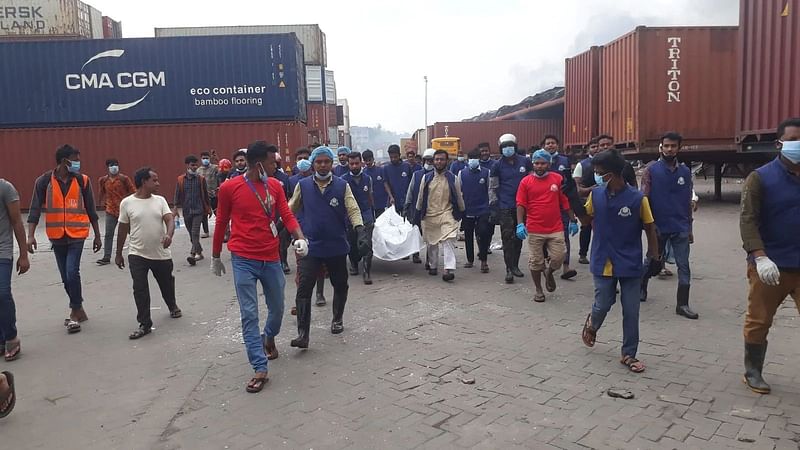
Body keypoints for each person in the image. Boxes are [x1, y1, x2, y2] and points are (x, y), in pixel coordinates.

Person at [211, 141, 306, 393]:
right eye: (273, 162)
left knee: (277, 308)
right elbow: (221, 220)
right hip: (243, 259)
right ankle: (259, 366)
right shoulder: (229, 188)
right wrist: (215, 256)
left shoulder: (275, 185)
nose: (276, 166)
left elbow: (286, 214)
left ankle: (269, 336)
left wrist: (299, 236)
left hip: (271, 257)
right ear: (259, 164)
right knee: (249, 313)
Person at [580, 150, 661, 374]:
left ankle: (629, 354)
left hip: (630, 262)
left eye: (599, 173)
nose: (596, 176)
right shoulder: (595, 195)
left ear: (613, 174)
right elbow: (586, 219)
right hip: (602, 258)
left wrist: (654, 255)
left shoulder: (638, 199)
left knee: (631, 310)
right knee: (604, 303)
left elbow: (649, 226)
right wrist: (573, 207)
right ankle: (593, 323)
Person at [738, 118, 800, 395]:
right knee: (759, 320)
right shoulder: (760, 178)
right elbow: (748, 220)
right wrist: (760, 257)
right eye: (795, 140)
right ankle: (753, 371)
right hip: (771, 266)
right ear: (780, 144)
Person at [288, 146, 369, 348]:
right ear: (313, 164)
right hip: (311, 246)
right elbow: (290, 209)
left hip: (336, 246)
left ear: (331, 164)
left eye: (326, 162)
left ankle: (337, 319)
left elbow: (353, 208)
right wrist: (280, 228)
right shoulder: (303, 185)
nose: (323, 165)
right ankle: (303, 334)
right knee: (304, 288)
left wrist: (360, 230)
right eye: (319, 162)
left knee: (340, 284)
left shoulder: (342, 186)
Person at [27, 145, 102, 334]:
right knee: (64, 277)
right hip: (56, 236)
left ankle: (74, 312)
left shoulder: (83, 181)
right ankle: (79, 308)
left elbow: (92, 210)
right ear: (63, 161)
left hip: (77, 235)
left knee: (71, 272)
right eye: (75, 159)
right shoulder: (44, 181)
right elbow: (34, 209)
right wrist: (30, 235)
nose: (78, 163)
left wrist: (98, 236)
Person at [115, 167, 182, 339]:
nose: (158, 183)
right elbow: (122, 229)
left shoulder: (160, 201)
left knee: (166, 283)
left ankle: (172, 305)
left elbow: (169, 219)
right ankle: (144, 324)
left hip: (160, 253)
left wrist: (169, 234)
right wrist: (118, 253)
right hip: (137, 253)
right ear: (144, 182)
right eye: (155, 180)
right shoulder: (127, 203)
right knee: (140, 288)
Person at [639, 132, 698, 320]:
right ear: (661, 147)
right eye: (666, 146)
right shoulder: (651, 170)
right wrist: (649, 226)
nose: (669, 149)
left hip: (680, 226)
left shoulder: (685, 172)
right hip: (658, 226)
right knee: (653, 261)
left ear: (679, 147)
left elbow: (687, 201)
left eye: (673, 146)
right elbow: (644, 199)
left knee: (684, 266)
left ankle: (682, 304)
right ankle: (641, 285)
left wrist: (689, 229)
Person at [515, 150, 578, 302]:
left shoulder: (557, 179)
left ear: (549, 164)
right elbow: (521, 204)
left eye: (543, 163)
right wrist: (520, 224)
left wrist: (573, 220)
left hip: (555, 227)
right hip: (535, 228)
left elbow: (565, 202)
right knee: (536, 262)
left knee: (559, 256)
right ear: (533, 164)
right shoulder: (526, 182)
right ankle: (538, 289)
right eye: (537, 163)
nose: (539, 166)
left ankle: (549, 272)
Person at [489, 133, 533, 283]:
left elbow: (532, 181)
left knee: (519, 237)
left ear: (515, 146)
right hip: (505, 206)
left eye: (510, 146)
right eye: (504, 147)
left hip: (522, 206)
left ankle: (515, 265)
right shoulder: (497, 165)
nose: (508, 149)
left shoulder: (525, 162)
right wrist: (494, 206)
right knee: (507, 238)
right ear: (501, 149)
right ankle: (508, 269)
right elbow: (493, 187)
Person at [416, 150, 465, 281]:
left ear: (447, 161)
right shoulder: (426, 178)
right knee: (432, 243)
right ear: (433, 161)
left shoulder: (452, 178)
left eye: (442, 159)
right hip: (429, 215)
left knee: (448, 239)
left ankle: (448, 269)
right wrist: (417, 213)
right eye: (436, 159)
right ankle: (433, 265)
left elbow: (459, 196)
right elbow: (420, 197)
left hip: (446, 213)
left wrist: (462, 211)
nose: (439, 162)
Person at [287, 153, 328, 308]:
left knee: (320, 266)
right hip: (300, 229)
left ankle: (319, 293)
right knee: (301, 268)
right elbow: (289, 209)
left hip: (320, 230)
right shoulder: (297, 183)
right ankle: (301, 302)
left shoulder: (323, 183)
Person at [542, 135, 580, 280]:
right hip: (545, 205)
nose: (550, 145)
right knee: (544, 237)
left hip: (562, 204)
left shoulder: (564, 160)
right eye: (548, 143)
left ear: (557, 145)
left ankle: (566, 266)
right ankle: (546, 261)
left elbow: (569, 183)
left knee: (564, 236)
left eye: (553, 143)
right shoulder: (541, 161)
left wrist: (572, 214)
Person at [0, 178, 29, 361]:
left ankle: (11, 337)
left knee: (2, 293)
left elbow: (17, 222)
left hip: (2, 249)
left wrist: (23, 254)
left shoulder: (5, 188)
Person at [342, 151, 376, 284]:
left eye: (357, 163)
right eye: (352, 164)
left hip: (366, 214)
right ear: (348, 164)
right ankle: (354, 264)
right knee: (352, 243)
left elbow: (370, 197)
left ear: (361, 162)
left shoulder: (368, 179)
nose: (354, 166)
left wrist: (372, 216)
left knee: (366, 243)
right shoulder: (343, 180)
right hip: (349, 216)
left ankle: (367, 272)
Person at [96, 158, 135, 266]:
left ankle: (138, 253)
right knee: (109, 234)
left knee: (132, 232)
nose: (114, 167)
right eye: (111, 165)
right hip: (110, 210)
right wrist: (99, 204)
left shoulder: (124, 179)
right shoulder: (103, 180)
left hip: (125, 210)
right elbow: (101, 193)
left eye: (116, 164)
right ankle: (106, 256)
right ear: (107, 167)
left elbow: (133, 191)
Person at [173, 155, 211, 266]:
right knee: (191, 234)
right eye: (192, 165)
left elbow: (205, 194)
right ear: (187, 165)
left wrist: (208, 209)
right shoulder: (180, 180)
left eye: (195, 165)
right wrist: (175, 208)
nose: (194, 167)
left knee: (195, 233)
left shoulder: (200, 179)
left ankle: (192, 254)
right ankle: (200, 252)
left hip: (198, 211)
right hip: (186, 211)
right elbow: (177, 194)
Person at [458, 148, 491, 273]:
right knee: (468, 235)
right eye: (471, 158)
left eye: (476, 157)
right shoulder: (462, 173)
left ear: (479, 158)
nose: (473, 160)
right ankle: (470, 259)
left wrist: (490, 206)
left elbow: (490, 190)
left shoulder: (486, 172)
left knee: (483, 234)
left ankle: (483, 260)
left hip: (483, 209)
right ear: (468, 159)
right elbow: (459, 191)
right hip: (468, 209)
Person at [405, 149, 435, 266]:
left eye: (431, 161)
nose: (429, 163)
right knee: (416, 233)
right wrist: (407, 206)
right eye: (427, 160)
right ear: (423, 161)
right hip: (417, 210)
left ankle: (430, 260)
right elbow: (410, 191)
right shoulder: (416, 175)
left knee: (431, 237)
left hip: (432, 211)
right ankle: (416, 254)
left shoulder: (439, 177)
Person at [573, 137, 600, 265]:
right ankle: (583, 254)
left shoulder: (609, 163)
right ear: (588, 149)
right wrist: (591, 189)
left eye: (598, 146)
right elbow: (577, 188)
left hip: (605, 201)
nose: (596, 149)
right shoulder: (582, 165)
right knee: (586, 227)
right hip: (587, 201)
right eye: (593, 147)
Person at [197, 151, 220, 239]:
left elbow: (223, 169)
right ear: (201, 159)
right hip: (203, 196)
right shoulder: (199, 170)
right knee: (204, 214)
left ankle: (223, 230)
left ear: (209, 159)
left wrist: (217, 159)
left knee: (217, 213)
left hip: (214, 194)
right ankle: (206, 232)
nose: (205, 160)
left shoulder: (214, 168)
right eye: (203, 158)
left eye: (207, 158)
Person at [384, 144, 411, 215]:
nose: (393, 159)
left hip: (405, 200)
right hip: (393, 200)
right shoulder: (386, 168)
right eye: (391, 157)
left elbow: (411, 183)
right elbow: (386, 183)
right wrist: (391, 197)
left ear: (399, 155)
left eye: (395, 157)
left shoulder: (407, 166)